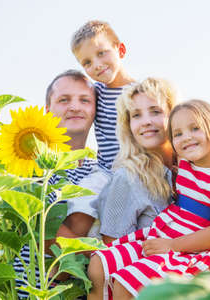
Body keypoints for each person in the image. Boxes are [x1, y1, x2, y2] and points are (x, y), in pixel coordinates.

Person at [87, 99, 210, 300]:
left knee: (126, 284)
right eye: (177, 134)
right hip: (162, 232)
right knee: (98, 265)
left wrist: (173, 246)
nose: (186, 137)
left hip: (193, 246)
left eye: (195, 128)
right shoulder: (185, 162)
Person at [14, 69, 110, 298]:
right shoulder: (29, 162)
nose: (75, 107)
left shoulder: (102, 173)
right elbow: (43, 231)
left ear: (95, 110)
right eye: (64, 100)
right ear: (47, 111)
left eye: (84, 100)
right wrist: (108, 253)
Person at [94, 77, 178, 245]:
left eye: (155, 111)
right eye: (136, 115)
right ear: (129, 125)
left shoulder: (195, 168)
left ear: (174, 115)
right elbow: (112, 251)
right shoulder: (127, 178)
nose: (146, 121)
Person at [71, 20, 135, 173]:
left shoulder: (142, 92)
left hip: (137, 170)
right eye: (87, 62)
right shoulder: (94, 93)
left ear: (120, 50)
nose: (97, 65)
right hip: (105, 172)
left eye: (101, 53)